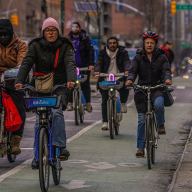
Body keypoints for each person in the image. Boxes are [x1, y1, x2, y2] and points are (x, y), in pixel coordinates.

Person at [15, 17, 76, 168]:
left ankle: (61, 148)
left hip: (60, 86)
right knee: (38, 122)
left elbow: (70, 63)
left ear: (58, 32)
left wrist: (71, 80)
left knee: (56, 113)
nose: (51, 33)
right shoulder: (35, 45)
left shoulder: (65, 46)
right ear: (43, 32)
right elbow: (27, 63)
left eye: (53, 30)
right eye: (48, 30)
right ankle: (37, 156)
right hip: (39, 87)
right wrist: (19, 80)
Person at [126, 31, 172, 157]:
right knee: (141, 120)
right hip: (141, 89)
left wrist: (167, 79)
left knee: (158, 104)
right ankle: (140, 148)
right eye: (147, 43)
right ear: (144, 44)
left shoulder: (162, 57)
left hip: (157, 88)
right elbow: (133, 70)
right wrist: (130, 79)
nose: (149, 45)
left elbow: (166, 70)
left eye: (152, 43)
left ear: (155, 44)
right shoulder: (138, 57)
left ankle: (161, 124)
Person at [0, 19, 27, 155]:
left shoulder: (20, 45)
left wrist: (16, 72)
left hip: (14, 79)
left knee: (19, 105)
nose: (3, 37)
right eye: (1, 35)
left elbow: (22, 63)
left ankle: (16, 138)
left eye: (6, 35)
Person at [95, 36, 130, 130]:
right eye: (110, 43)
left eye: (114, 43)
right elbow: (98, 63)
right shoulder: (102, 53)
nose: (112, 45)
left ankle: (123, 103)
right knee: (104, 99)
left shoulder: (123, 52)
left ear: (117, 44)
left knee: (125, 85)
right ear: (107, 44)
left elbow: (127, 62)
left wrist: (127, 69)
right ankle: (105, 122)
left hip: (119, 76)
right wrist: (97, 71)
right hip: (105, 77)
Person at [67, 21, 94, 112]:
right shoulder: (68, 39)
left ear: (79, 28)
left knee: (85, 84)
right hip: (71, 66)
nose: (75, 28)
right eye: (73, 27)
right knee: (70, 83)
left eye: (76, 27)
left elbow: (90, 51)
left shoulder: (85, 38)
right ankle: (70, 103)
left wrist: (91, 64)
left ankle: (88, 103)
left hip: (84, 66)